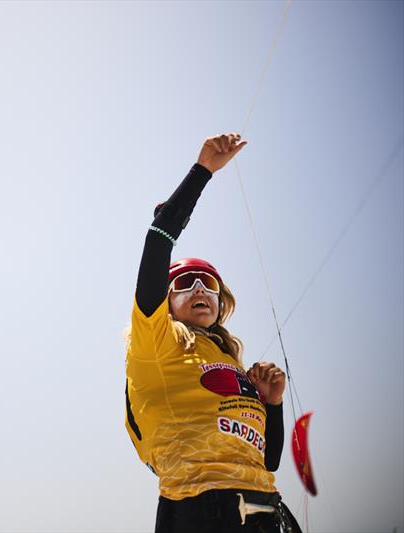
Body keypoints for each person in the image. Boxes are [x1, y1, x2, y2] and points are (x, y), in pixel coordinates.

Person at [124, 133, 302, 533]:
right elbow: (157, 242)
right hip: (201, 506)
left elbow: (268, 460)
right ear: (166, 302)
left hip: (266, 508)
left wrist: (272, 405)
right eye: (185, 283)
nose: (200, 289)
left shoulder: (234, 365)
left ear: (221, 303)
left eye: (209, 284)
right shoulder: (156, 341)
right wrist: (203, 171)